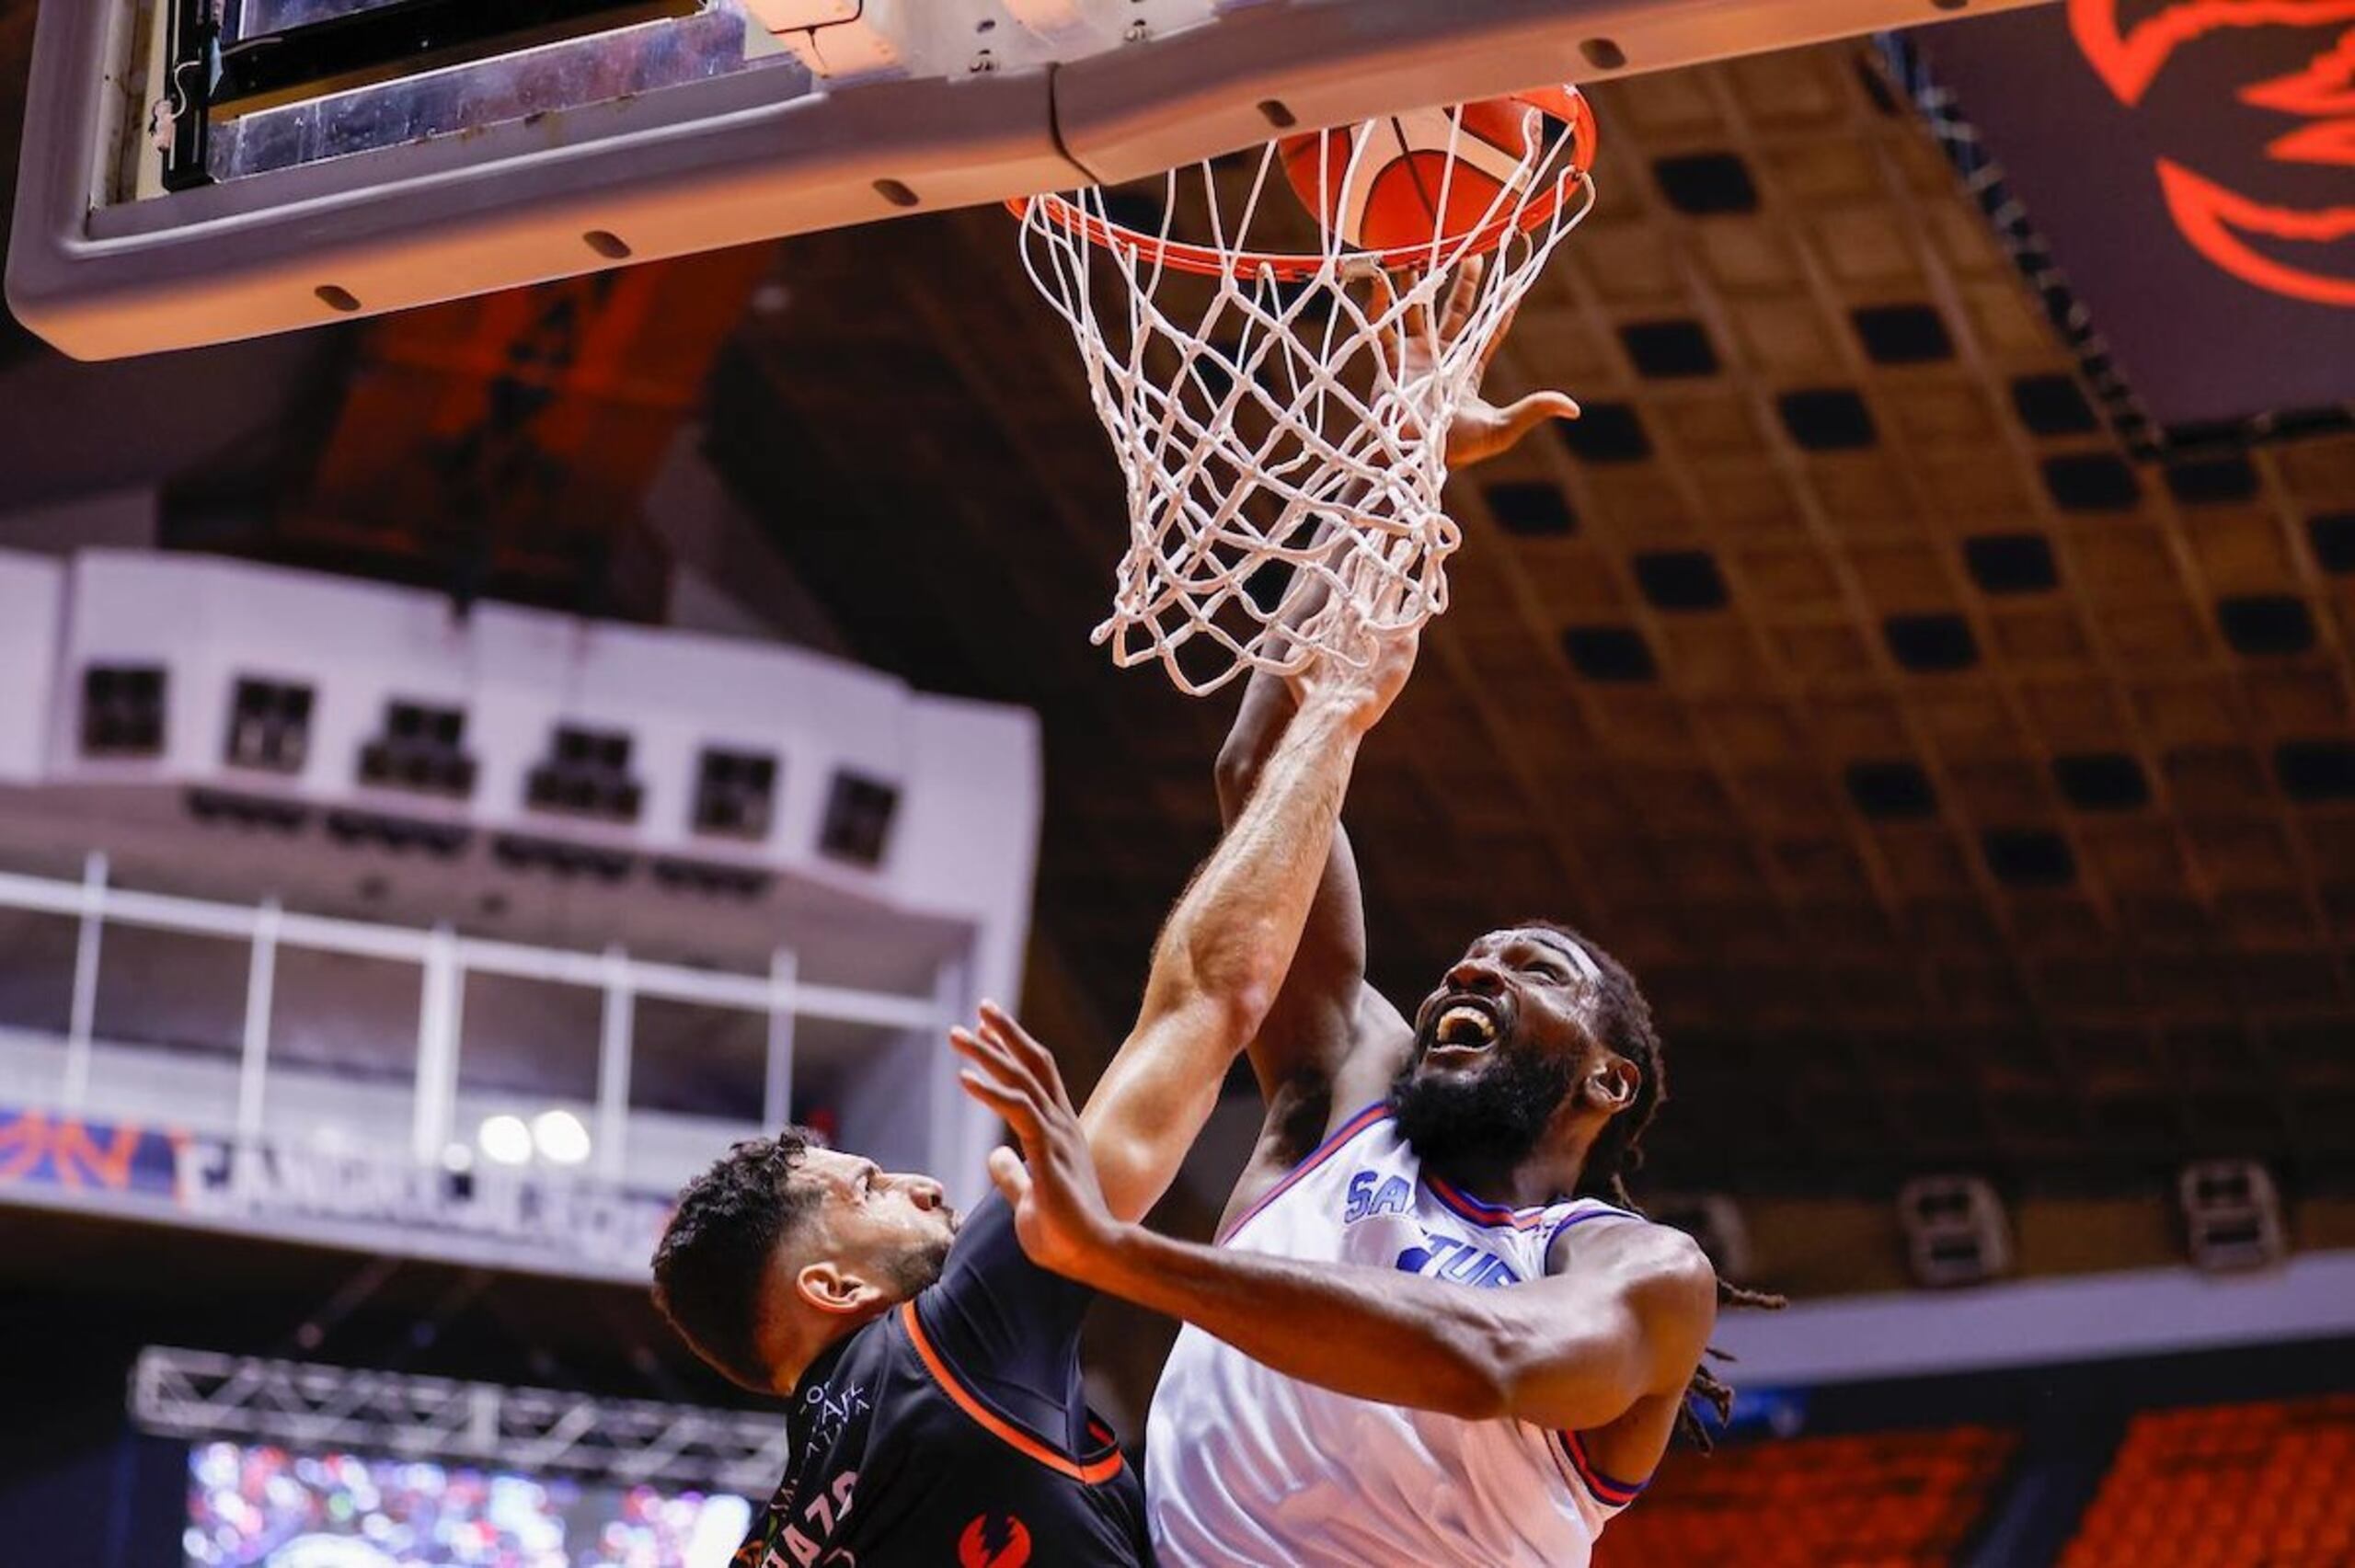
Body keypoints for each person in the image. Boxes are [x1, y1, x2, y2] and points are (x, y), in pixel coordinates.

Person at [952, 269, 1775, 1566]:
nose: (1472, 971)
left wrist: (1120, 1256)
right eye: (1470, 960)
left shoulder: (1638, 1272)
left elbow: (1490, 1360)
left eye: (1533, 968)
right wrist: (1402, 454)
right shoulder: (1349, 1092)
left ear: (1608, 1078)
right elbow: (1263, 770)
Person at [648, 589, 1423, 1567]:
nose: (923, 1185)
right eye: (868, 1187)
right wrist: (1336, 718)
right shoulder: (942, 1346)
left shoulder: (767, 1547)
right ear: (832, 1284)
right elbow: (1206, 997)